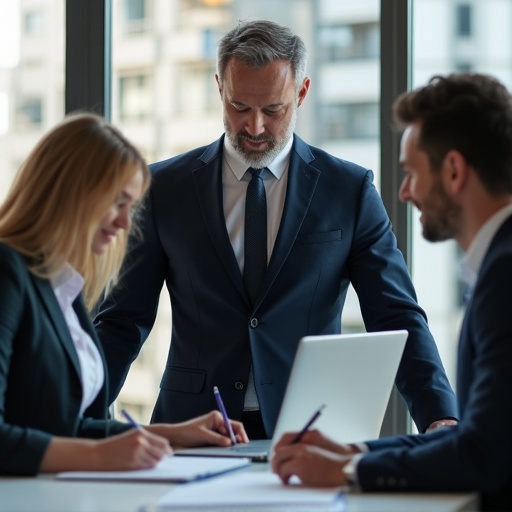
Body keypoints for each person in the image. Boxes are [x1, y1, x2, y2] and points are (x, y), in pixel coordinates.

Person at [94, 19, 457, 440]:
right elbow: (123, 319)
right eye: (239, 107)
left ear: (301, 92)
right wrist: (72, 416)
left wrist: (439, 416)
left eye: (272, 110)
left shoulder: (350, 190)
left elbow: (396, 315)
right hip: (191, 427)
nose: (254, 128)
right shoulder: (163, 189)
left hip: (313, 428)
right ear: (219, 88)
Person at [271, 72, 512, 511]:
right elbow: (488, 434)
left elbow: (484, 455)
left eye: (411, 173)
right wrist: (358, 454)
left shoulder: (504, 274)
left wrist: (348, 472)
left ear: (454, 170)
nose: (404, 192)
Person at [0, 113, 248, 476]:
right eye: (118, 202)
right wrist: (100, 458)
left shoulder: (63, 289)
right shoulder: (7, 271)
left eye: (130, 207)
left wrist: (171, 435)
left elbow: (64, 430)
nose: (124, 224)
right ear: (70, 192)